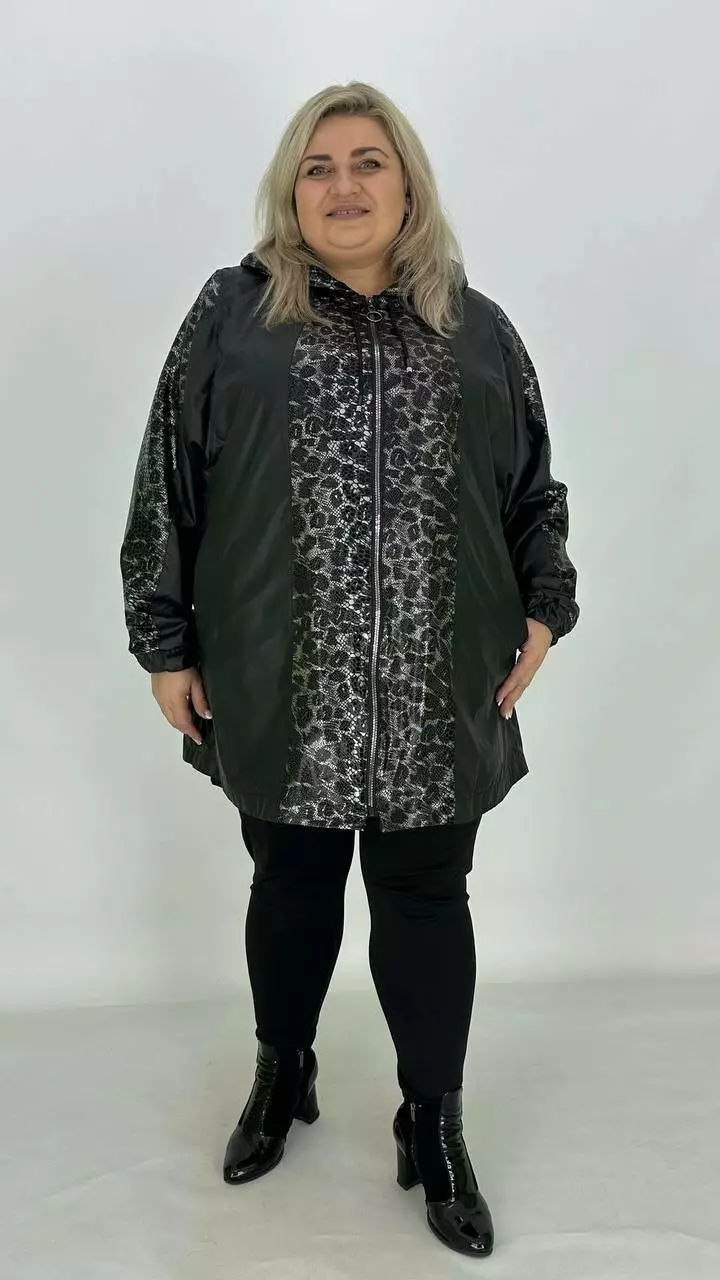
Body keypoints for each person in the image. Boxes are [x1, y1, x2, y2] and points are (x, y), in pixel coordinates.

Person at [119, 80, 579, 1258]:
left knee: (427, 896)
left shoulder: (477, 330)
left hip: (439, 678)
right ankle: (284, 1067)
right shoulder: (235, 316)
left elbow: (532, 488)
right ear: (292, 191)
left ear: (408, 184)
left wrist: (545, 605)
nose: (343, 185)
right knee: (291, 884)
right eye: (318, 167)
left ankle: (434, 1120)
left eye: (369, 161)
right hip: (279, 671)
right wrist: (165, 641)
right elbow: (169, 479)